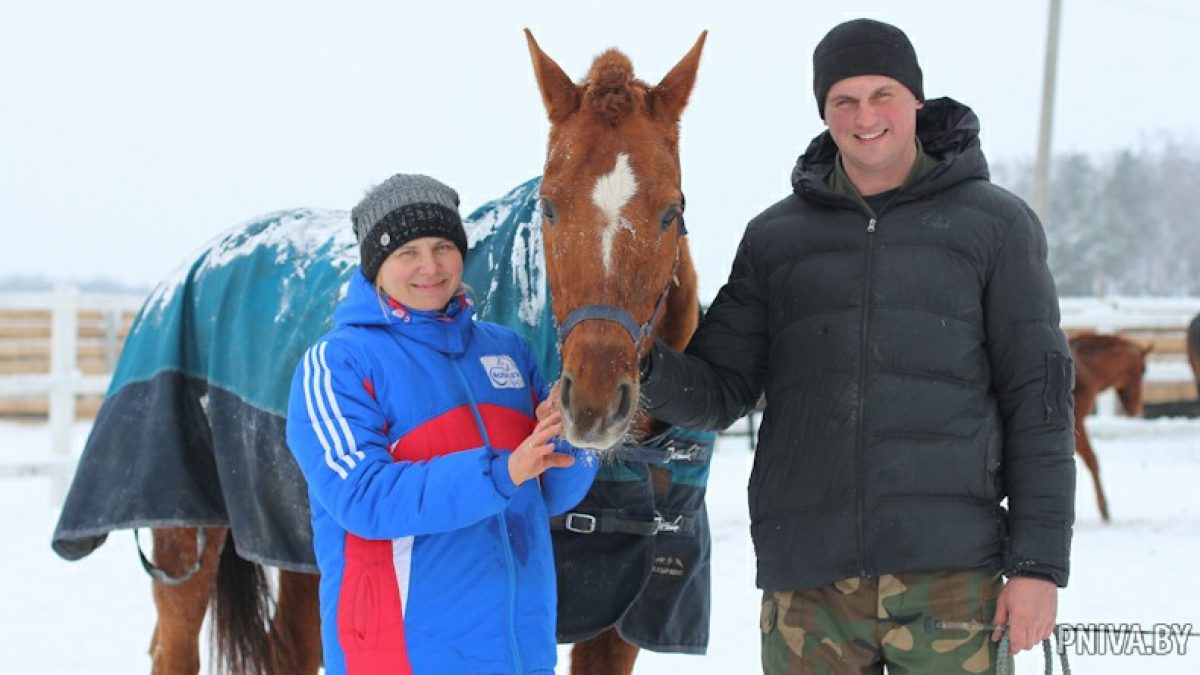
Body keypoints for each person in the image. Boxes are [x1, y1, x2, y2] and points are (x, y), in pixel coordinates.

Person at [639, 18, 1075, 673]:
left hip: (951, 579)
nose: (864, 115)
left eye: (882, 95)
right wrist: (636, 363)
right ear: (824, 112)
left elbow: (1038, 400)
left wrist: (1039, 564)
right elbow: (721, 386)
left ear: (915, 101)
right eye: (844, 99)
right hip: (808, 585)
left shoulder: (997, 225)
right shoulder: (775, 239)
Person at [286, 174, 598, 674]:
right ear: (375, 264)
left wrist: (570, 436)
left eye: (443, 246)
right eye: (407, 251)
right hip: (400, 656)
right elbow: (363, 497)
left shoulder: (508, 350)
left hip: (520, 652)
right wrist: (502, 472)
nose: (429, 267)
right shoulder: (338, 362)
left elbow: (551, 494)